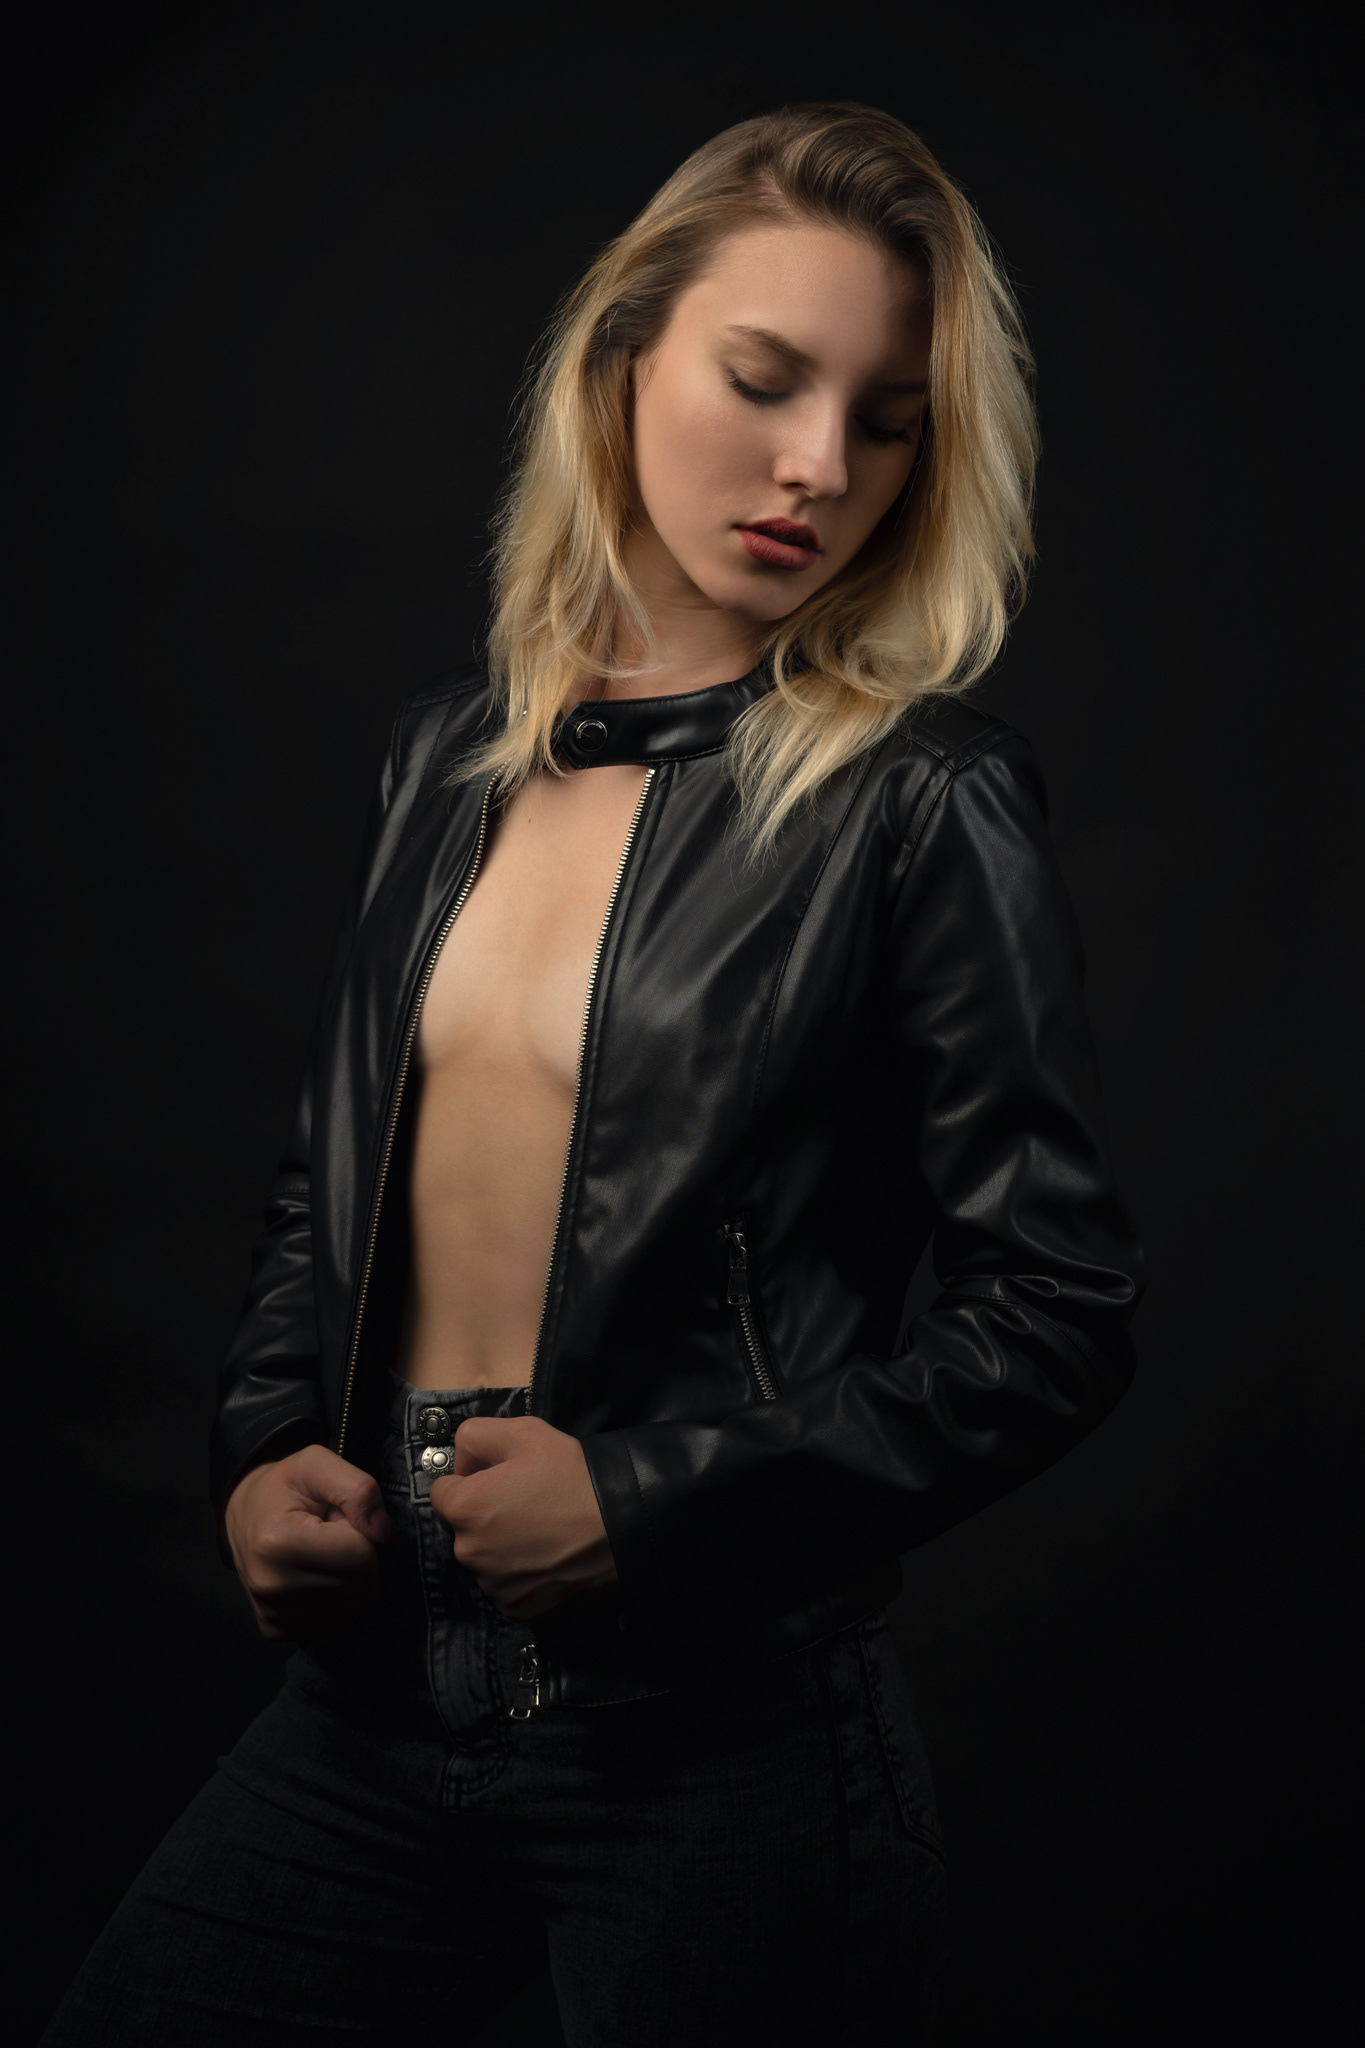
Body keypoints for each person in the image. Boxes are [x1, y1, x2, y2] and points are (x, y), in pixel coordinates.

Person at [44, 102, 1143, 2047]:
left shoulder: (919, 802)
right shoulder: (446, 761)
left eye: (886, 421)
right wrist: (260, 1452)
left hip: (715, 1733)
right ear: (623, 354)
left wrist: (645, 1502)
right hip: (378, 1691)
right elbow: (331, 1192)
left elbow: (1052, 1314)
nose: (818, 465)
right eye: (763, 377)